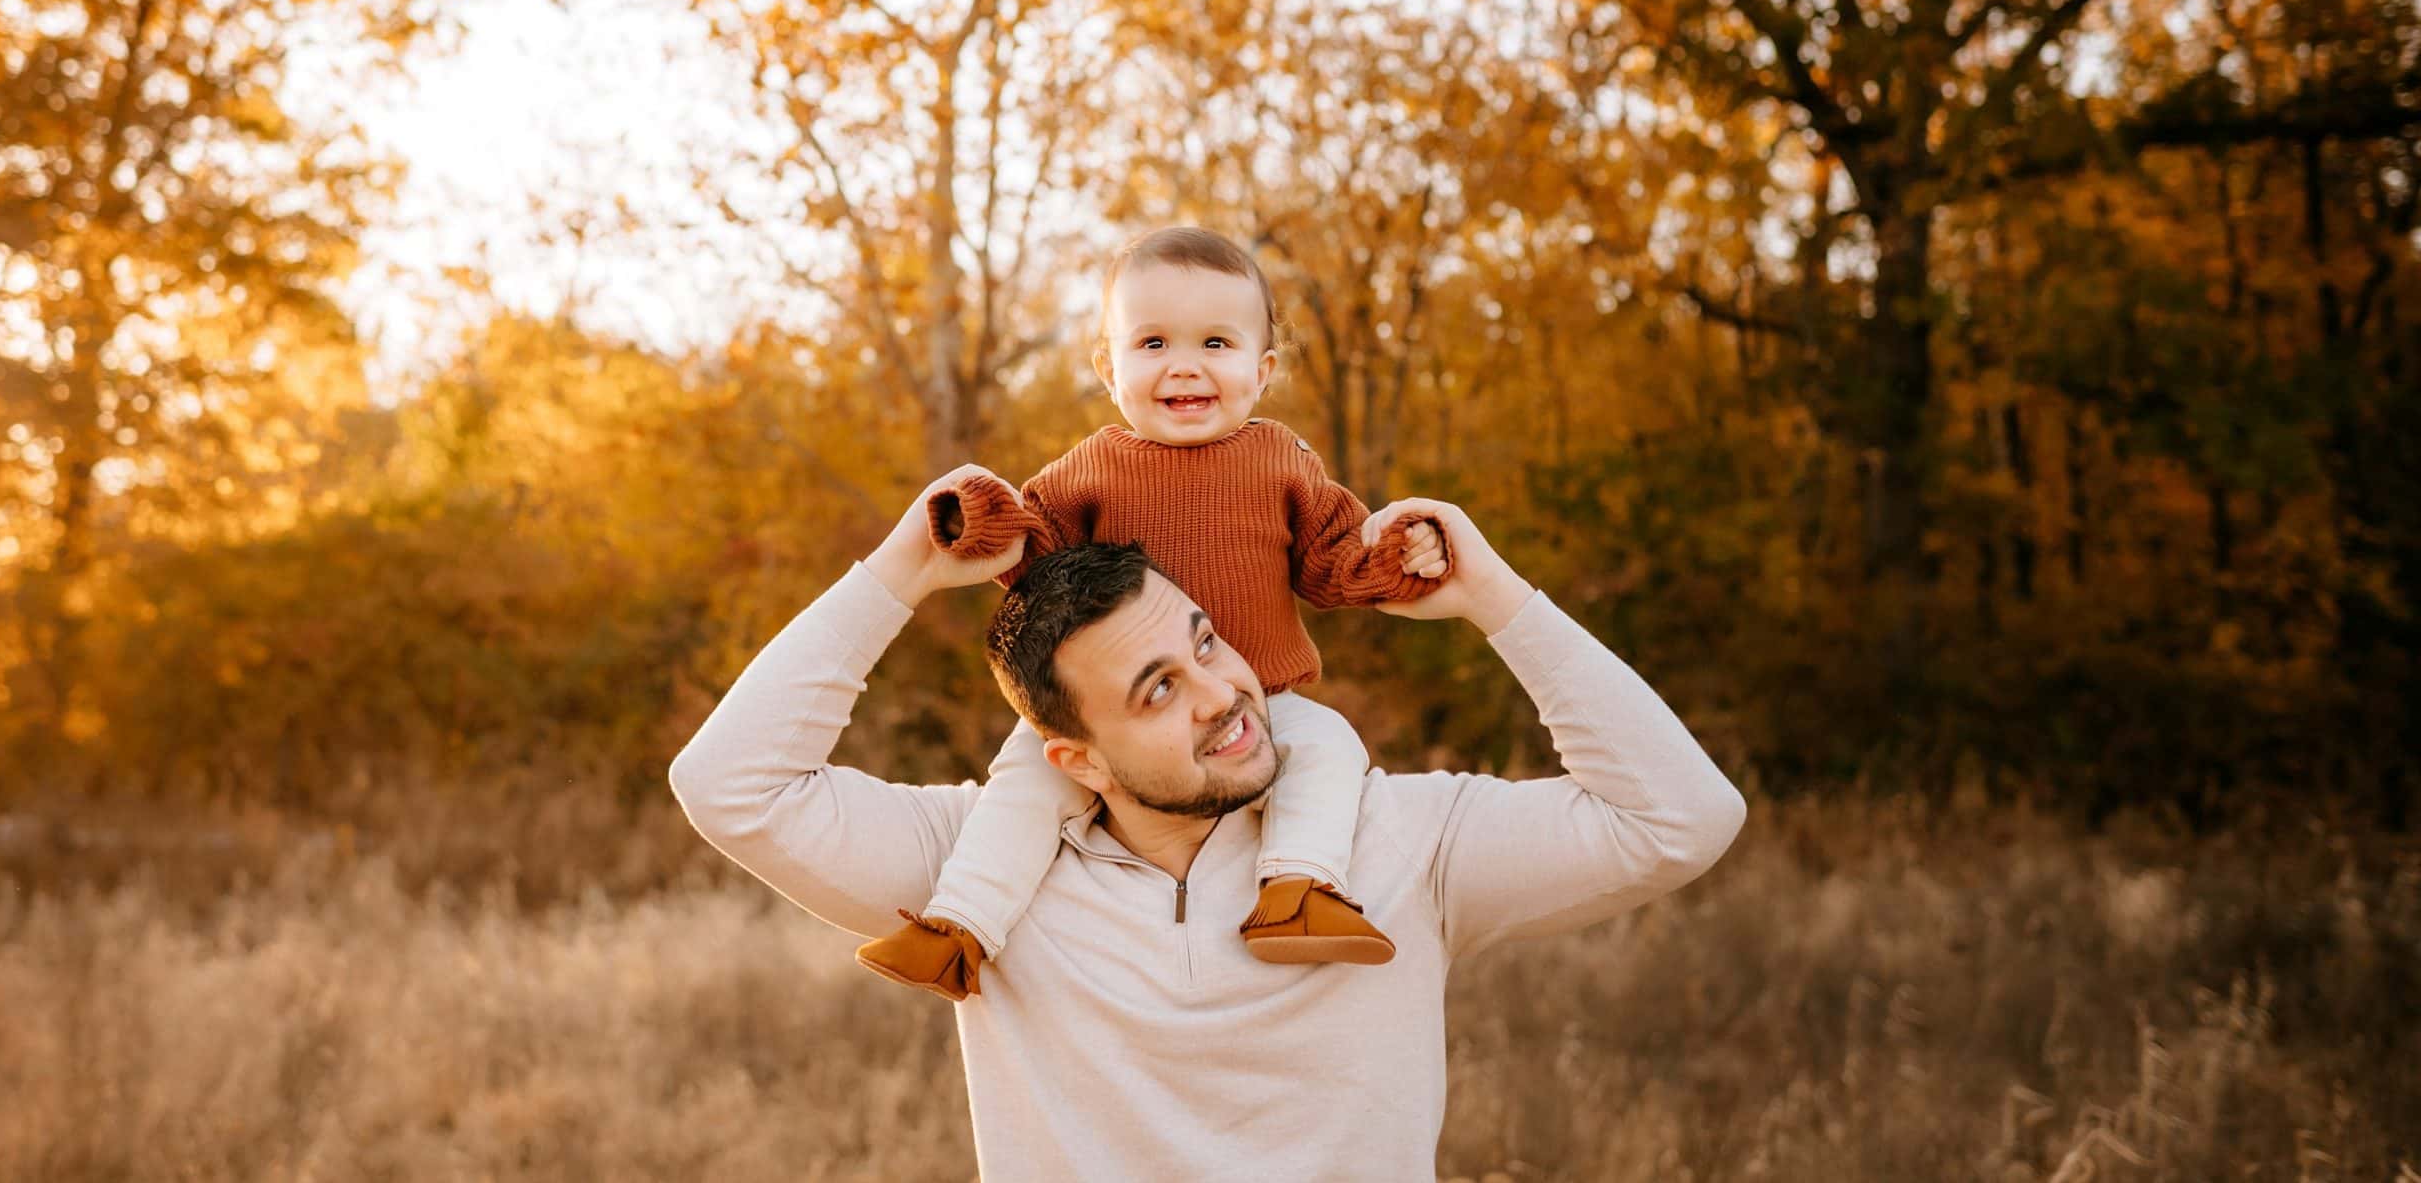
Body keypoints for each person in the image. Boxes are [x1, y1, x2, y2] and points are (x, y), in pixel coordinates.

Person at [670, 477, 1748, 1179]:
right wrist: (902, 567)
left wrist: (1494, 597)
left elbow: (1680, 816)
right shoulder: (980, 869)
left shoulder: (1398, 839)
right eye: (1155, 689)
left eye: (1206, 641)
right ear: (1075, 758)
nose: (1224, 692)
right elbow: (730, 785)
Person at [854, 226, 1451, 999]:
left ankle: (1295, 889)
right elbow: (1029, 546)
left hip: (1263, 697)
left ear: (1261, 369)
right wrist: (972, 519)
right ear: (1109, 367)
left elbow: (1333, 561)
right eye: (1153, 342)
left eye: (1216, 341)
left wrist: (1403, 554)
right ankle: (958, 927)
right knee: (1026, 781)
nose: (1185, 365)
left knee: (1330, 747)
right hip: (1110, 714)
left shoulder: (1281, 461)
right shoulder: (1092, 466)